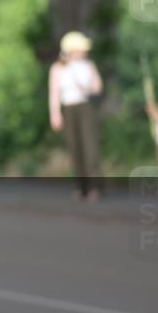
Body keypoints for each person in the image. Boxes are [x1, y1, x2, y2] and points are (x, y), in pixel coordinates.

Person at [48, 31, 103, 202]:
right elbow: (54, 93)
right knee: (74, 147)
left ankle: (94, 186)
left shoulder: (88, 65)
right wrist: (55, 113)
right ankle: (81, 186)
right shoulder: (58, 68)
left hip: (85, 107)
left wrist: (87, 89)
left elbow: (98, 87)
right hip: (69, 108)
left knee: (90, 146)